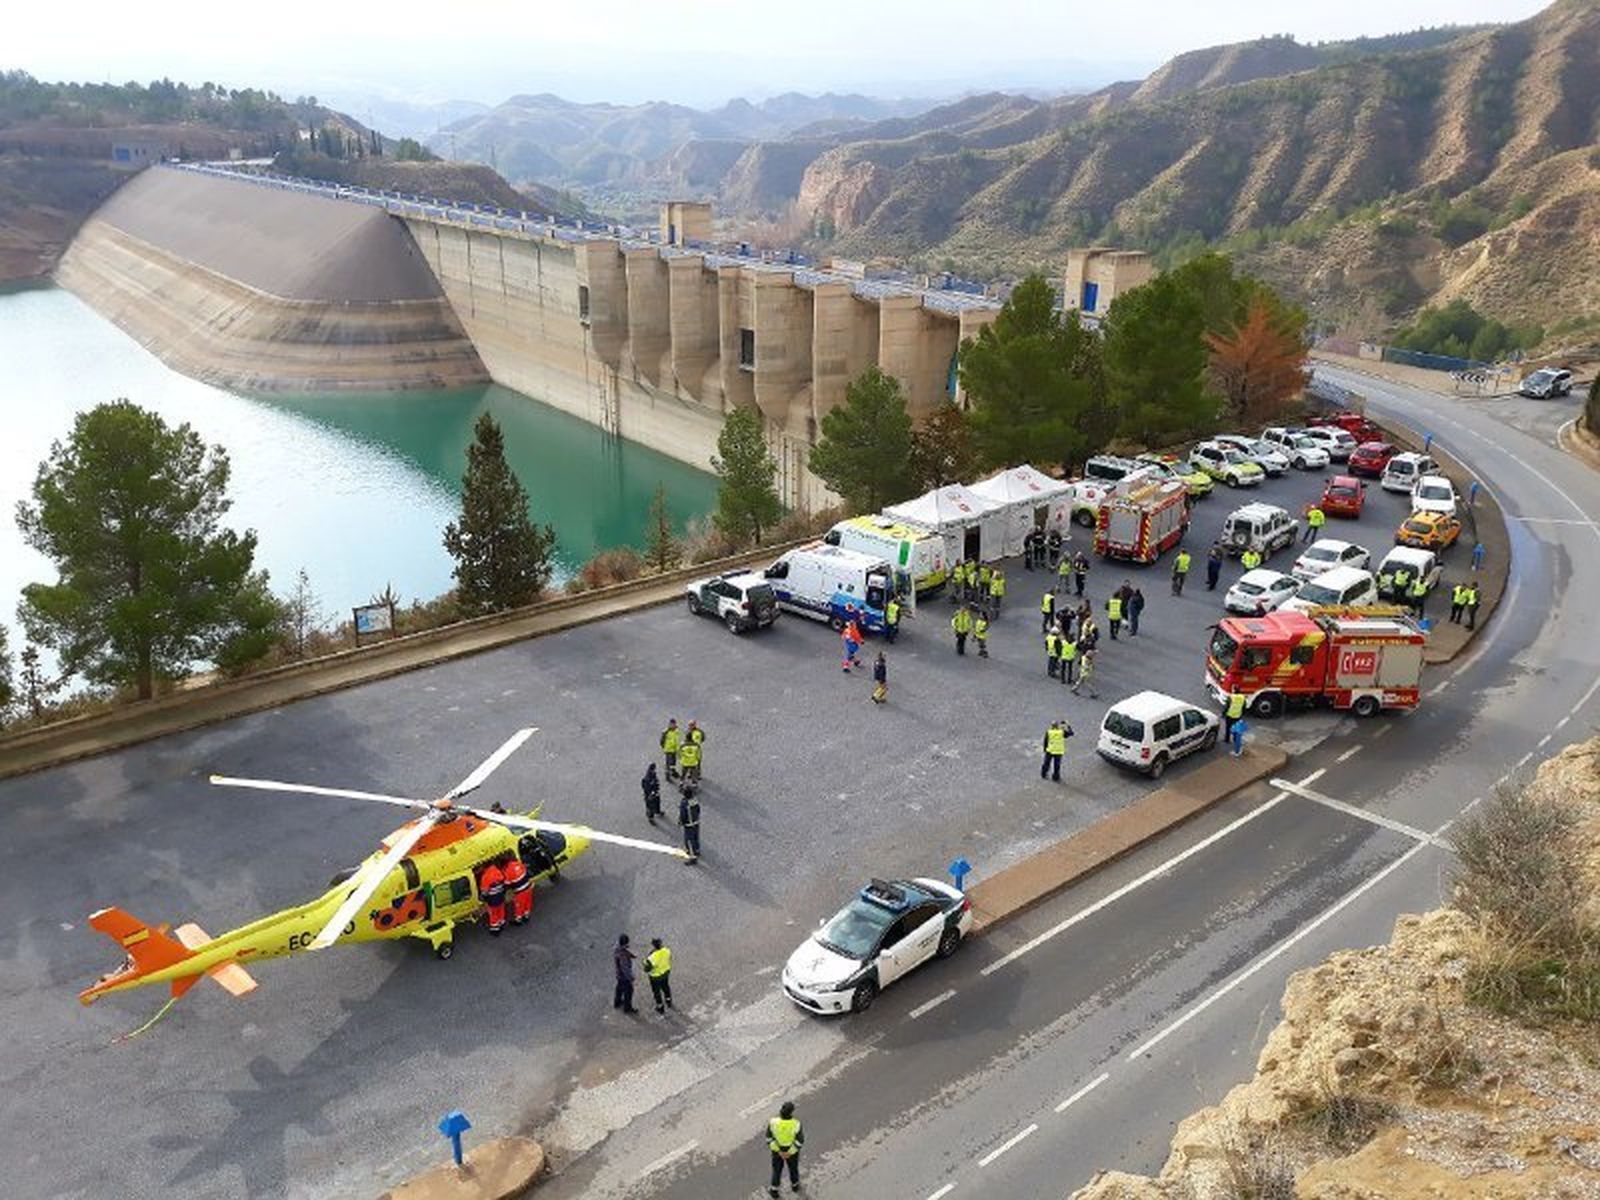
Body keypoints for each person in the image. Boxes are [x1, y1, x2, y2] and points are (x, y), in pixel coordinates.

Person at [766, 1101, 804, 1197]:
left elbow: (769, 1139)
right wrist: (789, 1152)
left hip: (777, 1151)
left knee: (777, 1170)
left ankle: (774, 1191)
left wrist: (779, 1151)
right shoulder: (796, 1124)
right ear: (791, 1112)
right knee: (793, 1169)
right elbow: (799, 1141)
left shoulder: (773, 1122)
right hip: (792, 1152)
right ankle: (795, 1186)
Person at [644, 937, 673, 1014]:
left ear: (653, 945)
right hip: (665, 973)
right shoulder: (667, 950)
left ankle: (660, 1007)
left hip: (655, 977)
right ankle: (668, 1001)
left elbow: (646, 969)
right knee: (666, 986)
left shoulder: (652, 957)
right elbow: (670, 958)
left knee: (656, 991)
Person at [479, 860, 507, 936]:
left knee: (493, 914)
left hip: (492, 898)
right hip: (501, 895)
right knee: (501, 910)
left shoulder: (486, 876)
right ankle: (501, 923)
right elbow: (503, 881)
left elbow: (484, 891)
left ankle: (495, 929)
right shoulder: (497, 871)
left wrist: (483, 899)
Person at [504, 853, 533, 925]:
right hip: (528, 887)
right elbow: (525, 871)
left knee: (519, 905)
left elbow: (507, 884)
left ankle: (518, 919)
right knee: (527, 902)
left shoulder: (508, 870)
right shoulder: (519, 864)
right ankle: (526, 915)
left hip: (520, 891)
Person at [613, 934, 639, 1014]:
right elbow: (625, 969)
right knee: (629, 991)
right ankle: (627, 1007)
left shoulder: (617, 948)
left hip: (618, 974)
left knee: (619, 988)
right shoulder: (623, 956)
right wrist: (631, 977)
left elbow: (625, 951)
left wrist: (631, 955)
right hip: (624, 976)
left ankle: (617, 1003)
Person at [678, 790, 701, 864]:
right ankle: (697, 850)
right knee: (695, 837)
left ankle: (692, 857)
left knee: (689, 841)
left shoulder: (684, 803)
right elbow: (698, 810)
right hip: (696, 822)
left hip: (689, 824)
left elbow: (683, 814)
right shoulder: (694, 801)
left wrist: (681, 822)